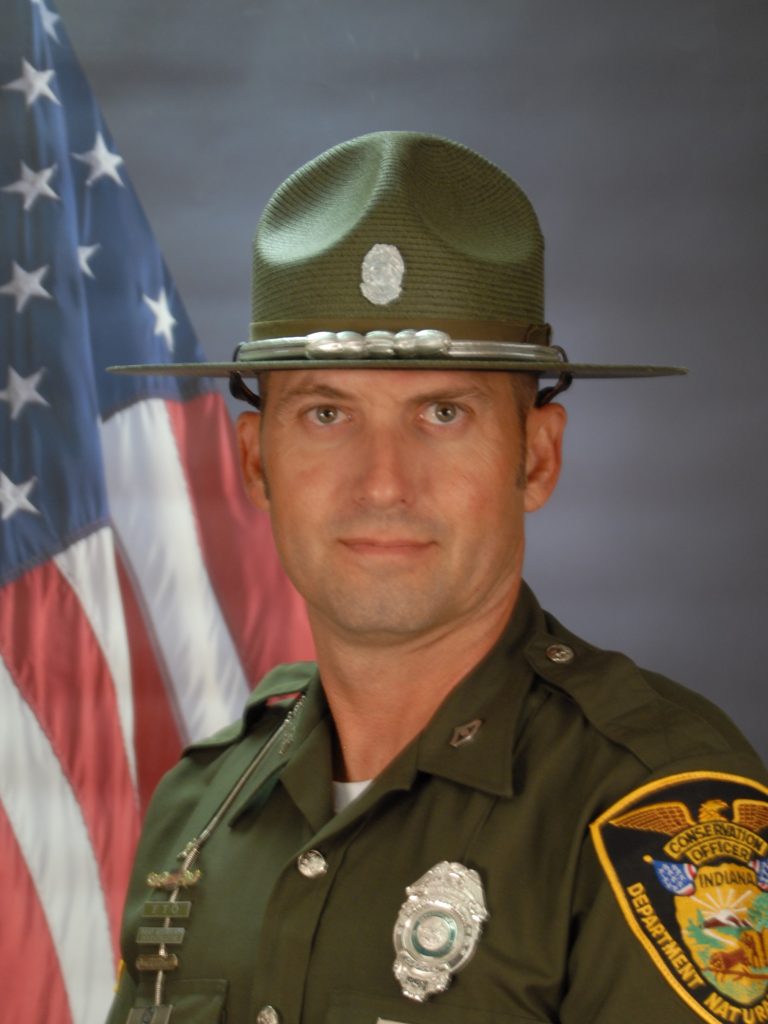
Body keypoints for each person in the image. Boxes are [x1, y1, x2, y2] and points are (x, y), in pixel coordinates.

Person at [108, 132, 768, 1024]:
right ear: (257, 463)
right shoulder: (200, 811)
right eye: (327, 413)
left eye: (444, 412)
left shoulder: (656, 815)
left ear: (535, 457)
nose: (383, 483)